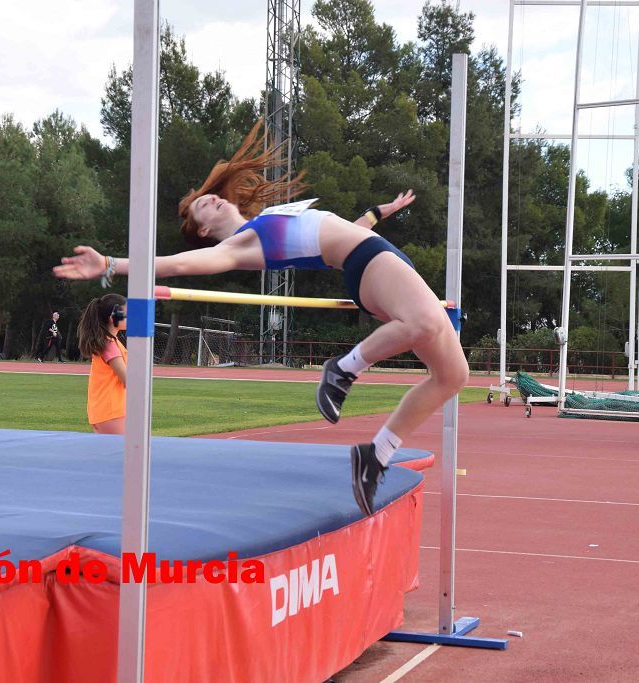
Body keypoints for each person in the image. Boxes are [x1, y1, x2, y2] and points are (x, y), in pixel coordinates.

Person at [53, 121, 462, 517]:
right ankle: (343, 368)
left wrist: (381, 211)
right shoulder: (236, 246)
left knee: (453, 375)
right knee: (424, 324)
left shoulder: (265, 219)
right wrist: (110, 263)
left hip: (377, 255)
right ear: (204, 230)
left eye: (209, 197)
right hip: (370, 264)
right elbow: (175, 264)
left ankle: (376, 457)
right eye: (202, 208)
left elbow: (344, 230)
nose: (211, 200)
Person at [77, 294, 128, 434]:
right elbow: (128, 379)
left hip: (105, 412)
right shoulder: (109, 345)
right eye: (126, 314)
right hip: (111, 412)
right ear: (113, 318)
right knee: (123, 454)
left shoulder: (108, 342)